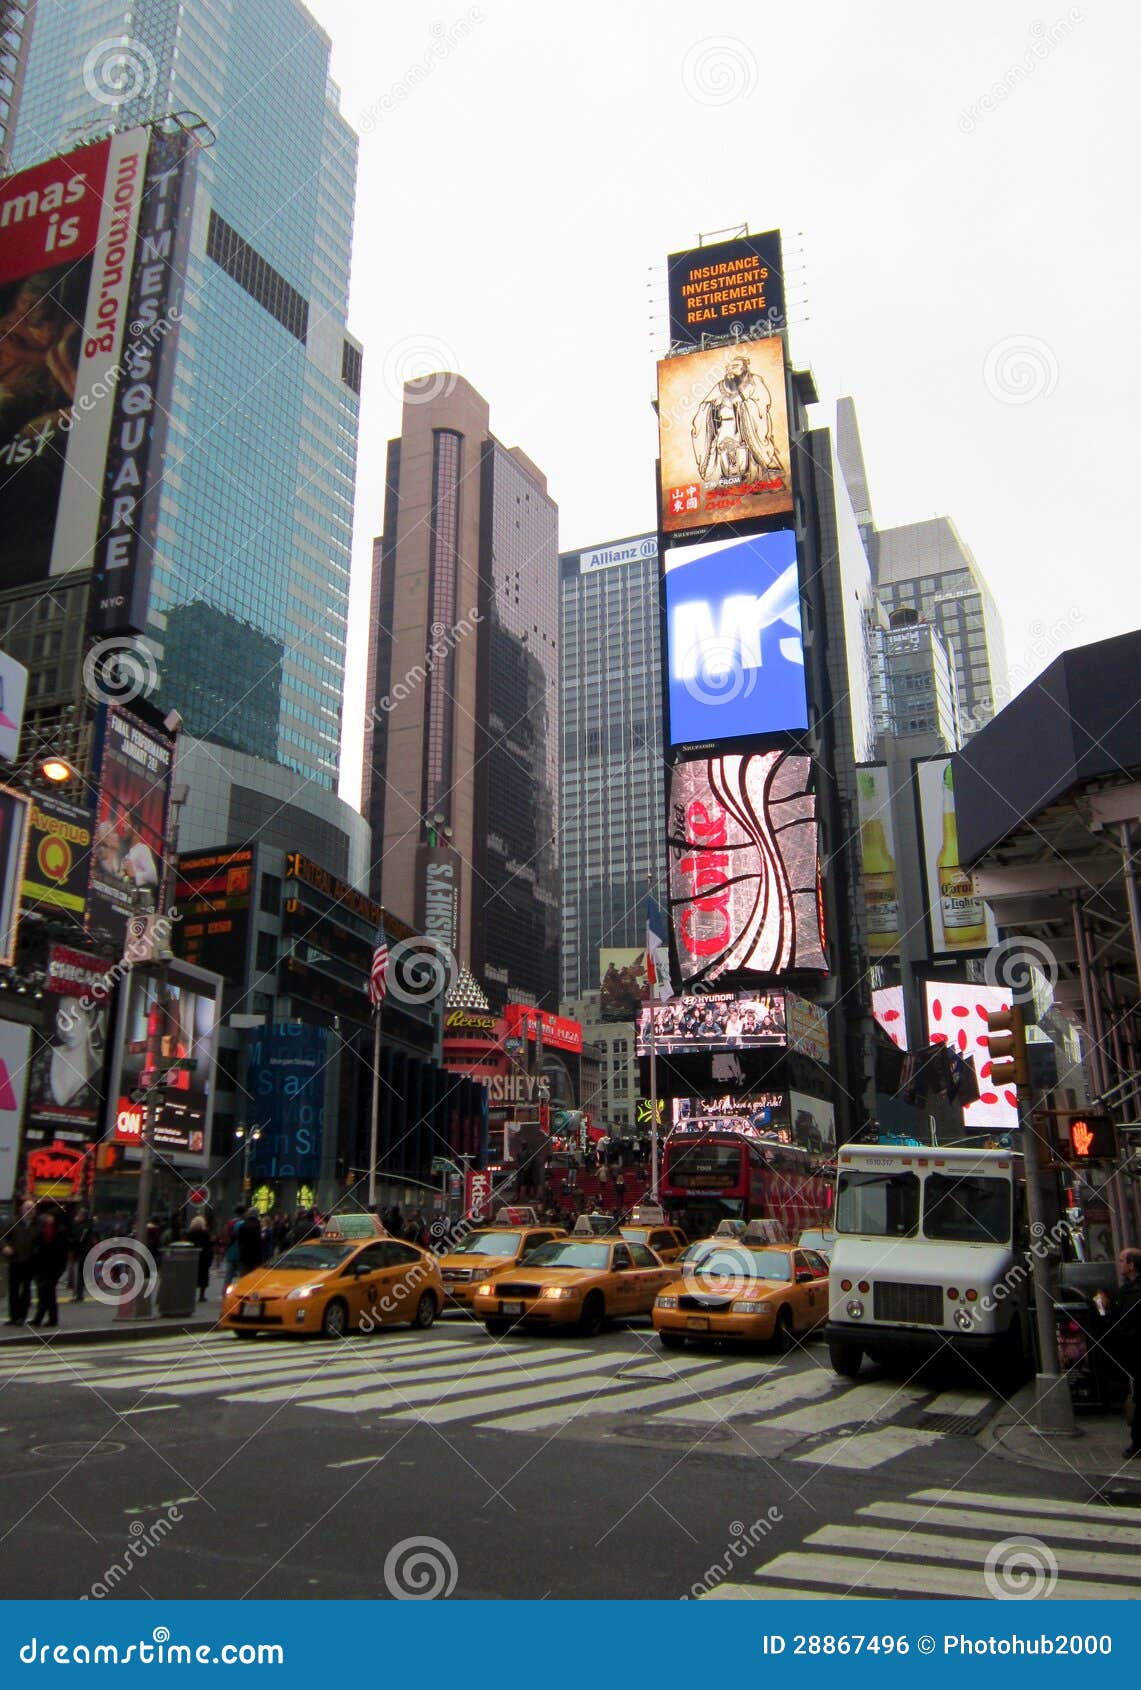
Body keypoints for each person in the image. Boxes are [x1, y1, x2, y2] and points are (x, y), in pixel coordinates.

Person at [1105, 1247, 1141, 1458]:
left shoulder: (1133, 1292)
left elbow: (1123, 1323)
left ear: (1131, 1265)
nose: (1118, 1264)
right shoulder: (1127, 1290)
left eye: (1121, 1260)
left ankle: (1137, 1443)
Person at [29, 1203, 70, 1328]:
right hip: (42, 1266)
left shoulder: (60, 1231)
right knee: (48, 1293)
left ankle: (40, 1318)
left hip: (53, 1267)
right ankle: (52, 1318)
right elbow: (36, 1242)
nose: (47, 1218)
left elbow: (62, 1251)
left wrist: (60, 1267)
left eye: (50, 1216)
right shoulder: (44, 1228)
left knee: (45, 1292)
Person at [3, 1199, 37, 1324]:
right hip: (15, 1260)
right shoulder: (14, 1222)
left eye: (32, 1209)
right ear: (22, 1210)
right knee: (14, 1290)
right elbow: (3, 1237)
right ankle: (13, 1316)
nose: (30, 1211)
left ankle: (22, 1317)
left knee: (26, 1290)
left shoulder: (37, 1224)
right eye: (27, 1208)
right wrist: (5, 1247)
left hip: (29, 1262)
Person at [69, 1208, 96, 1303]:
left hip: (80, 1252)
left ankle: (77, 1294)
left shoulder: (82, 1227)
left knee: (78, 1274)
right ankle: (78, 1293)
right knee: (79, 1275)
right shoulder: (88, 1226)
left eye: (79, 1215)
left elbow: (79, 1239)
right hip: (83, 1252)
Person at [186, 1214, 213, 1302]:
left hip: (191, 1256)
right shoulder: (205, 1234)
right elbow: (209, 1246)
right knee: (203, 1276)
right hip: (204, 1258)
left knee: (192, 1276)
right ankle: (201, 1295)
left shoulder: (189, 1234)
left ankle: (190, 1295)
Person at [236, 1208, 264, 1275]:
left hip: (244, 1254)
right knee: (255, 1277)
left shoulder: (243, 1225)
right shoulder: (259, 1225)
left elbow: (239, 1239)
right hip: (256, 1255)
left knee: (244, 1275)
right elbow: (261, 1240)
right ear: (257, 1214)